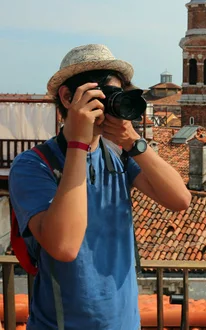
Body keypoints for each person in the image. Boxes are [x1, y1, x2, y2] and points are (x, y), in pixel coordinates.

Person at [9, 44, 192, 329]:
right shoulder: (33, 166)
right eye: (101, 96)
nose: (108, 106)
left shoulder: (117, 157)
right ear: (68, 97)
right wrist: (78, 145)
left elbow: (180, 199)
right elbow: (64, 247)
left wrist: (134, 141)